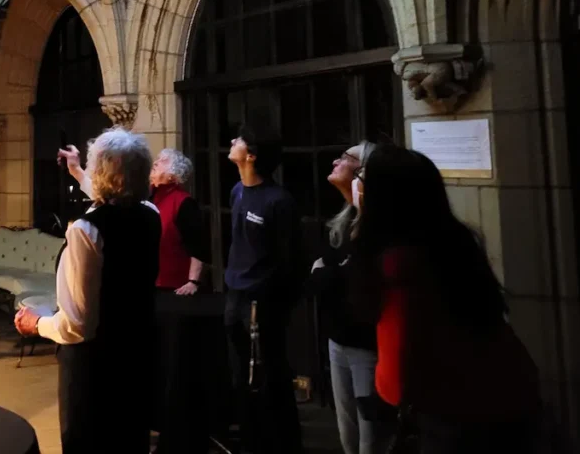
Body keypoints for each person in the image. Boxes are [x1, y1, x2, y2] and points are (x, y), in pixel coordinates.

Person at [353, 145, 542, 453]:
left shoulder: (398, 264)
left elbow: (397, 375)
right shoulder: (452, 242)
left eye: (363, 179)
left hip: (454, 416)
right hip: (511, 395)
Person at [20, 128, 162, 453]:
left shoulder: (87, 231)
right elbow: (116, 200)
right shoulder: (150, 215)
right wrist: (77, 171)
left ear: (102, 174)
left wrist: (36, 324)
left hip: (94, 370)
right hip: (135, 356)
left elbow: (77, 326)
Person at [223, 124, 303, 454]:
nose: (232, 141)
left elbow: (291, 261)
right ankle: (251, 439)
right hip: (235, 294)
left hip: (262, 300)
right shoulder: (237, 192)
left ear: (251, 155)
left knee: (270, 374)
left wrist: (271, 299)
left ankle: (283, 443)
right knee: (241, 374)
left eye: (239, 140)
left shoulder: (278, 201)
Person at [307, 142, 385, 454]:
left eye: (347, 157)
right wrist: (331, 274)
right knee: (348, 430)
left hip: (366, 340)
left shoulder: (375, 226)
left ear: (363, 171)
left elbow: (338, 276)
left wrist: (329, 274)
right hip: (337, 335)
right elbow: (319, 275)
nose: (338, 161)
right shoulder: (342, 219)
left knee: (372, 433)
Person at [59, 145, 205, 293]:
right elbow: (106, 196)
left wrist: (193, 281)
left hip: (171, 287)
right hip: (140, 282)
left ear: (173, 175)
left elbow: (197, 245)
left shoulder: (183, 202)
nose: (155, 162)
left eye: (163, 161)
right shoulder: (144, 193)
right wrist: (76, 170)